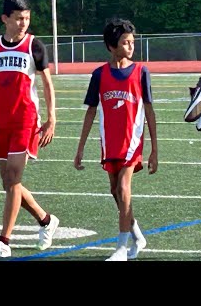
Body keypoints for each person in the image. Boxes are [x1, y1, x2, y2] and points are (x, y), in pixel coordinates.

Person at [0, 0, 59, 258]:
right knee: (9, 184)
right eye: (18, 18)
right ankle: (46, 220)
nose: (23, 23)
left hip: (26, 121)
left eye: (26, 18)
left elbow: (47, 84)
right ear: (5, 19)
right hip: (2, 122)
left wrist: (52, 119)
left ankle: (4, 240)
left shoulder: (34, 45)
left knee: (14, 179)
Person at [74, 18, 158, 261]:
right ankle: (137, 235)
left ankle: (121, 248)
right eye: (125, 42)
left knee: (123, 188)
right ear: (112, 46)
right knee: (116, 191)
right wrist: (79, 148)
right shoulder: (99, 74)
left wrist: (154, 148)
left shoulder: (141, 72)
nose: (130, 46)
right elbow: (90, 111)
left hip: (132, 142)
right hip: (109, 142)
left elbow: (150, 110)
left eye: (132, 42)